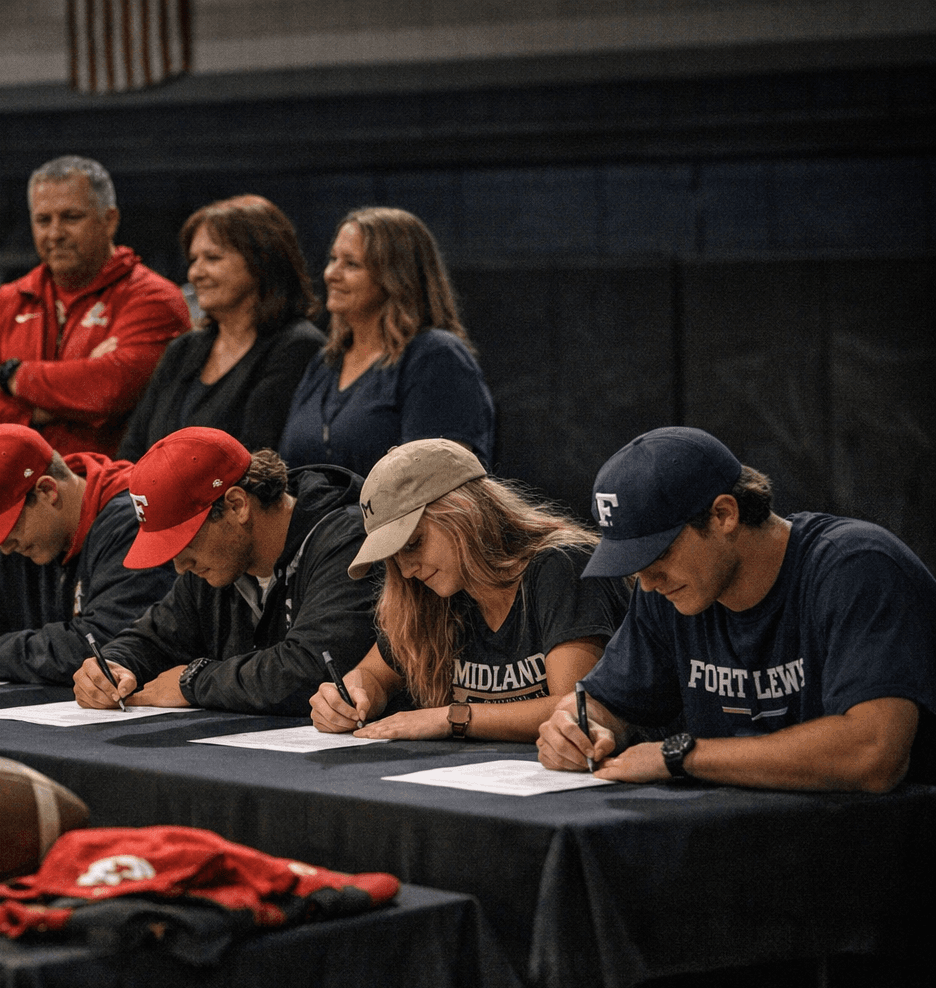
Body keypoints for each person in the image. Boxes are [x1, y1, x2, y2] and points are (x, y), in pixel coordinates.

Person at [537, 426, 936, 791]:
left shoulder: (856, 567)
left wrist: (679, 756)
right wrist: (576, 727)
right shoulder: (668, 590)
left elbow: (872, 755)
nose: (647, 581)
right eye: (633, 564)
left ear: (724, 514)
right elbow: (604, 703)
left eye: (657, 554)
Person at [308, 439, 631, 741]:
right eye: (394, 557)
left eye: (413, 543)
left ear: (465, 512)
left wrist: (451, 717)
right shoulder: (431, 594)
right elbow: (373, 676)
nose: (406, 570)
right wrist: (350, 696)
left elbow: (576, 709)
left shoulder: (560, 565)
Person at [74, 428, 378, 716]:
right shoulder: (216, 564)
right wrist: (112, 665)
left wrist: (194, 681)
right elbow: (153, 638)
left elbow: (314, 671)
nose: (180, 566)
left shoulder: (345, 539)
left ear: (236, 505)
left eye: (185, 540)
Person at [0, 155, 190, 456]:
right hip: (18, 494)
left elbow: (107, 390)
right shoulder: (6, 303)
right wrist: (41, 411)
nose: (55, 234)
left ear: (109, 220)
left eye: (71, 217)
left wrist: (12, 377)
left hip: (112, 493)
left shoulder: (153, 299)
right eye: (43, 220)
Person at [0, 423, 174, 686]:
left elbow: (115, 643)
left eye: (5, 528)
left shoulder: (133, 521)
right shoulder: (18, 543)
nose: (3, 546)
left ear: (47, 490)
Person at [278, 207, 494, 476]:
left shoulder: (435, 356)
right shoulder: (324, 363)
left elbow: (439, 486)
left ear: (396, 278)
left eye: (351, 264)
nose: (331, 274)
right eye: (333, 259)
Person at [117, 195, 323, 461]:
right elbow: (132, 449)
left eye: (212, 258)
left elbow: (256, 458)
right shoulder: (183, 349)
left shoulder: (296, 346)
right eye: (193, 260)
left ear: (262, 261)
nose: (195, 273)